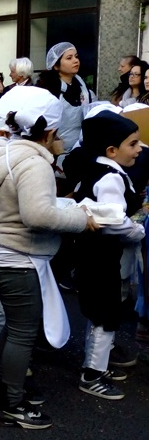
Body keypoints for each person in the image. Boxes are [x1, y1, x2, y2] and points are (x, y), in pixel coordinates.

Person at [0, 89, 93, 429]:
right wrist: (81, 218)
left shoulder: (2, 151)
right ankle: (12, 405)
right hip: (17, 259)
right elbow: (38, 215)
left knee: (13, 327)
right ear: (48, 132)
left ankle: (2, 389)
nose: (63, 139)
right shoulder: (35, 163)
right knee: (23, 332)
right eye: (59, 132)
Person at [73, 112, 145, 401]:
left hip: (91, 253)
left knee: (100, 311)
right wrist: (138, 231)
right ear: (111, 150)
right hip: (101, 255)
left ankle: (96, 364)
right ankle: (93, 374)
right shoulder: (111, 178)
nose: (139, 149)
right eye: (133, 144)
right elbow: (113, 221)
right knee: (105, 313)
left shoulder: (95, 168)